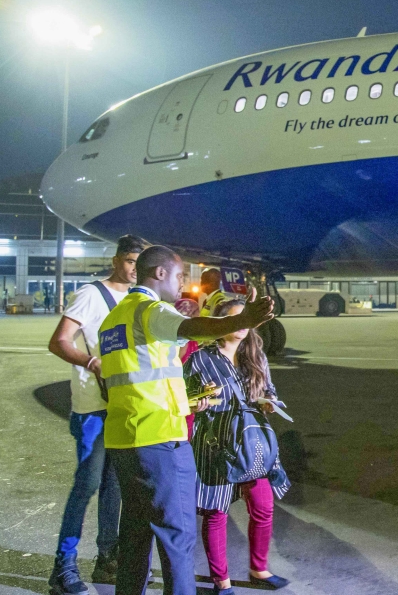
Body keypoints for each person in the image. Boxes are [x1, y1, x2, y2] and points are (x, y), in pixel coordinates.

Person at [98, 245, 275, 595]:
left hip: (124, 440)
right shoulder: (150, 310)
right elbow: (195, 326)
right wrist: (244, 320)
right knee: (178, 538)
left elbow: (131, 380)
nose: (183, 285)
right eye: (180, 276)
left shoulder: (113, 320)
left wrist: (187, 400)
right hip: (160, 441)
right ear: (159, 274)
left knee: (135, 536)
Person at [45, 234, 147, 594]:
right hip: (92, 408)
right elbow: (59, 341)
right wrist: (91, 361)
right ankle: (63, 565)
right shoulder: (92, 294)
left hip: (123, 407)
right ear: (117, 259)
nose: (136, 269)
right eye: (131, 260)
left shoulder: (139, 299)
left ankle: (107, 560)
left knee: (114, 488)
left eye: (141, 262)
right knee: (87, 484)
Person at [186, 298, 292, 594]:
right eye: (237, 318)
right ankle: (222, 582)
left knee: (263, 505)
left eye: (247, 318)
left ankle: (259, 569)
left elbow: (270, 390)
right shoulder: (200, 358)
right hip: (216, 443)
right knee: (216, 512)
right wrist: (200, 402)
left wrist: (270, 403)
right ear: (221, 323)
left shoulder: (256, 355)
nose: (244, 324)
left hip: (252, 443)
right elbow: (187, 399)